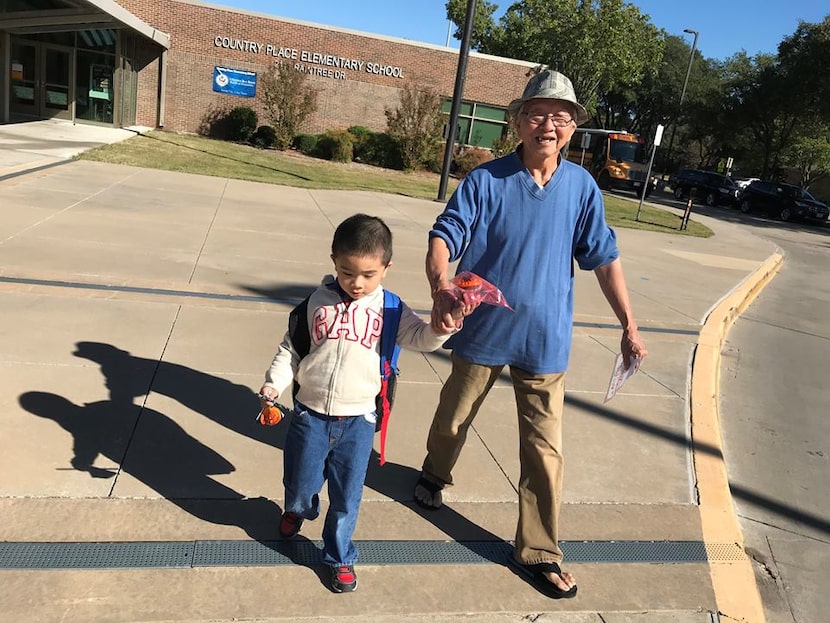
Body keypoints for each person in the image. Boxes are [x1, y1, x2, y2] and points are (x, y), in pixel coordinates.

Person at [413, 70, 648, 599]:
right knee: (453, 419)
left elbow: (604, 260)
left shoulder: (583, 188)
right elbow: (445, 235)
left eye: (560, 117)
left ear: (571, 129)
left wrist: (628, 323)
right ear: (518, 122)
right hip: (483, 330)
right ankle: (433, 475)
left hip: (545, 341)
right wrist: (441, 283)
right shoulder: (485, 180)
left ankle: (539, 550)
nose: (549, 125)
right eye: (537, 115)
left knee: (545, 449)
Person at [258, 213, 459, 594]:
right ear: (334, 260)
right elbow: (291, 349)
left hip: (358, 421)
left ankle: (339, 557)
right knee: (300, 485)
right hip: (310, 415)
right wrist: (274, 385)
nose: (357, 283)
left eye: (368, 274)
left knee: (347, 498)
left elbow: (419, 337)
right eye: (347, 272)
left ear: (386, 268)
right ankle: (298, 510)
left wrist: (440, 329)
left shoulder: (391, 308)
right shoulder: (314, 304)